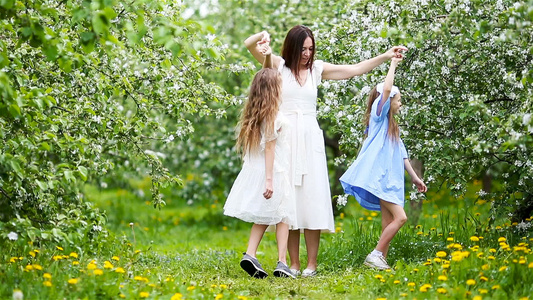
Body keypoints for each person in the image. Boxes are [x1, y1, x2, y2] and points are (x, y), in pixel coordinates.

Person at [244, 25, 408, 277]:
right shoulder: (278, 65)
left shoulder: (317, 70)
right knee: (290, 201)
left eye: (310, 49)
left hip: (310, 139)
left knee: (311, 197)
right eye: (303, 49)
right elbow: (249, 45)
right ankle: (293, 264)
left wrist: (385, 56)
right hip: (286, 139)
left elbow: (354, 70)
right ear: (292, 47)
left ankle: (311, 264)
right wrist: (263, 36)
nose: (307, 54)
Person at [339, 56, 427, 270]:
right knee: (401, 218)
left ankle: (380, 262)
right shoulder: (378, 118)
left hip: (391, 180)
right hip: (379, 179)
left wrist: (415, 178)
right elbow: (386, 90)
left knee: (388, 222)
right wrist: (393, 64)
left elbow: (402, 156)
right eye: (399, 99)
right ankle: (376, 254)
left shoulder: (392, 128)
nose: (400, 103)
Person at [223, 45, 296, 279]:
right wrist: (270, 180)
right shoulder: (273, 116)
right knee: (282, 214)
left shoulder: (258, 112)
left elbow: (265, 76)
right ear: (274, 90)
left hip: (260, 169)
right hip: (274, 170)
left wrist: (267, 54)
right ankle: (282, 262)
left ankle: (251, 254)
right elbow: (271, 148)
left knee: (267, 215)